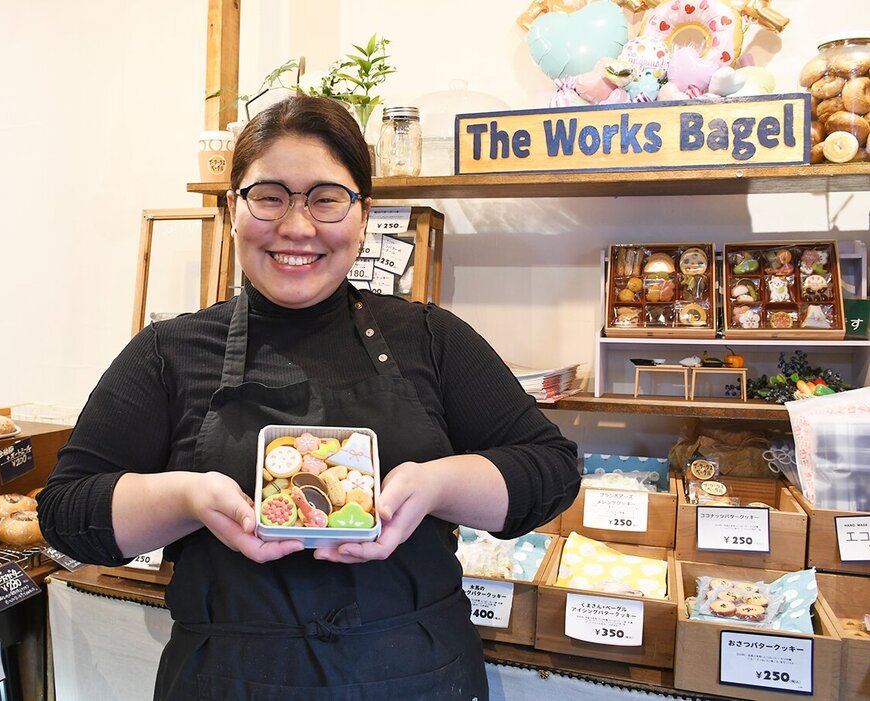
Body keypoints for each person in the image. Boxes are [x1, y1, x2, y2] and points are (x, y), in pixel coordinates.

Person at [38, 94, 580, 701]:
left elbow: (550, 471)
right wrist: (188, 495)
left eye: (326, 198)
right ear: (231, 208)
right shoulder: (170, 352)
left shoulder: (431, 338)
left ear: (363, 213)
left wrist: (435, 486)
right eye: (269, 196)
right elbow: (66, 516)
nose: (297, 227)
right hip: (230, 680)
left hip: (416, 675)